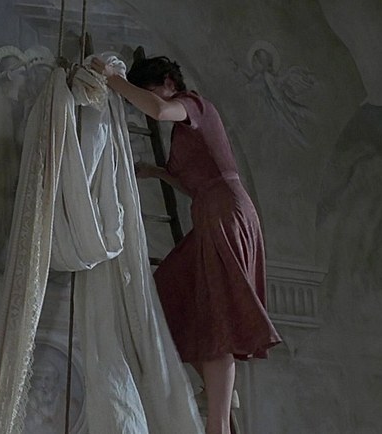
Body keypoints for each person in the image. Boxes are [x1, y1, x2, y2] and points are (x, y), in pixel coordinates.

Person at [91, 55, 282, 434]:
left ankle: (218, 422)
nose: (146, 101)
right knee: (167, 291)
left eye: (150, 90)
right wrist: (157, 173)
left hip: (226, 211)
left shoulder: (194, 104)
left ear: (168, 81)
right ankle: (219, 390)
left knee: (216, 316)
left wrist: (113, 79)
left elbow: (160, 110)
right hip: (211, 213)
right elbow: (193, 182)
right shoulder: (184, 134)